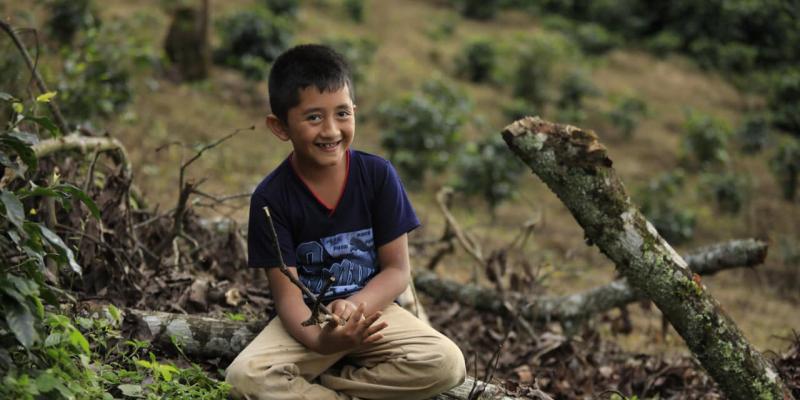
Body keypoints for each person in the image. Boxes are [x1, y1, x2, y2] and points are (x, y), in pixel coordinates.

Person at [225, 44, 466, 400]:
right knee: (244, 378)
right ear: (280, 127)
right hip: (309, 322)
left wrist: (356, 306)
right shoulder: (271, 199)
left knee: (447, 363)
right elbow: (288, 299)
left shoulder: (377, 176)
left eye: (341, 113)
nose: (331, 130)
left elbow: (397, 271)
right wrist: (320, 341)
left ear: (354, 111)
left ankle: (330, 387)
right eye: (313, 117)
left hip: (371, 311)